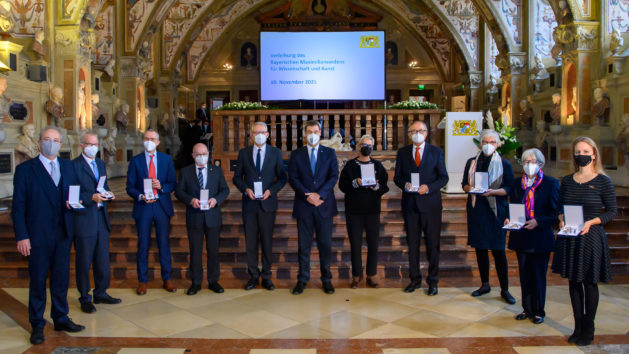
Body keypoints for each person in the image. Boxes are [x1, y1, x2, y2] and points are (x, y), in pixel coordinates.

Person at [12, 126, 85, 345]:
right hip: (37, 236)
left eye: (55, 140)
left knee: (61, 279)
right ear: (40, 142)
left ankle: (61, 317)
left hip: (63, 233)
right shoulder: (26, 170)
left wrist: (75, 205)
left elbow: (75, 194)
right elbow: (18, 207)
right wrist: (22, 236)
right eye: (47, 139)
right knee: (37, 281)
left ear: (60, 144)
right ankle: (37, 324)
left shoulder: (68, 166)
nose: (51, 143)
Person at [552, 137, 617, 346]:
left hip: (591, 237)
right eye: (578, 151)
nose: (582, 154)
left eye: (586, 151)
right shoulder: (568, 180)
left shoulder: (603, 181)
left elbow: (612, 212)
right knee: (573, 282)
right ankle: (577, 325)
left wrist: (592, 222)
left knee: (589, 282)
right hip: (571, 237)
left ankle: (589, 327)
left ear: (594, 154)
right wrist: (561, 219)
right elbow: (559, 207)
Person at [394, 120, 448, 296]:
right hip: (410, 205)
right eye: (413, 131)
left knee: (433, 244)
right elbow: (397, 177)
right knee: (413, 244)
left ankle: (433, 281)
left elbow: (443, 177)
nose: (417, 133)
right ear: (409, 134)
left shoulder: (436, 152)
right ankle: (414, 279)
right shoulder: (402, 153)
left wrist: (429, 187)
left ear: (426, 133)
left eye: (420, 130)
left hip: (431, 205)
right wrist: (405, 185)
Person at [505, 148, 559, 324]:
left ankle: (538, 311)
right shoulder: (516, 183)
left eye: (532, 161)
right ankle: (527, 309)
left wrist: (539, 221)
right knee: (524, 274)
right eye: (525, 161)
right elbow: (512, 206)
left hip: (540, 236)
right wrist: (509, 218)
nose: (529, 165)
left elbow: (555, 213)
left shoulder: (551, 183)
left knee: (538, 275)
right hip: (521, 235)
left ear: (540, 164)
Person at [461, 129, 515, 304]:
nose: (488, 145)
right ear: (480, 144)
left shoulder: (504, 164)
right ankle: (485, 284)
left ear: (497, 145)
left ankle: (505, 289)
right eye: (485, 142)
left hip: (496, 211)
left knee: (499, 251)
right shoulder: (471, 163)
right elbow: (464, 184)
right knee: (480, 249)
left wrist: (494, 191)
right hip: (477, 211)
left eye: (492, 142)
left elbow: (509, 188)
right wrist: (471, 189)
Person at [233, 122, 287, 290]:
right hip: (249, 204)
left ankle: (266, 276)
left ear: (268, 134)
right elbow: (236, 178)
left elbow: (283, 178)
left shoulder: (276, 153)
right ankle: (253, 276)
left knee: (266, 242)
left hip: (267, 204)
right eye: (256, 132)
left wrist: (271, 191)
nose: (259, 134)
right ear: (250, 135)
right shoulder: (243, 153)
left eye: (262, 132)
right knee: (250, 242)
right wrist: (245, 189)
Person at [72, 131, 121, 314]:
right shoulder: (74, 166)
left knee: (102, 260)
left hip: (101, 218)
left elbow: (103, 186)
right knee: (84, 261)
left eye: (95, 144)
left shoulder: (100, 163)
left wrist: (108, 193)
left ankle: (101, 292)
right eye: (89, 144)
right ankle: (85, 297)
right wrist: (89, 197)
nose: (93, 147)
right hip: (84, 219)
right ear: (82, 146)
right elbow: (72, 193)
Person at [288, 120, 339, 295]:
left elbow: (333, 176)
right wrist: (307, 195)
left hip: (324, 205)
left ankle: (327, 280)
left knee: (325, 245)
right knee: (304, 245)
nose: (312, 134)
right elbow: (293, 178)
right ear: (304, 134)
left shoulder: (330, 153)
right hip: (304, 205)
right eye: (309, 131)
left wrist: (320, 195)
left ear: (320, 133)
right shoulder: (297, 154)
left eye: (315, 131)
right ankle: (302, 279)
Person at [126, 129, 178, 295]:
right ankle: (142, 280)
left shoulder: (166, 159)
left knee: (164, 243)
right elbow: (130, 187)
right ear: (143, 141)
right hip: (144, 207)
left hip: (161, 205)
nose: (149, 141)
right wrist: (140, 195)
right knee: (143, 244)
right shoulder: (136, 161)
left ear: (158, 142)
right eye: (146, 138)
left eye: (152, 138)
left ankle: (167, 278)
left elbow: (173, 183)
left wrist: (161, 186)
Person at [175, 143, 229, 295]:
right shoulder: (185, 172)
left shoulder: (216, 171)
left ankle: (213, 281)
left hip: (213, 217)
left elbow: (225, 189)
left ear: (208, 154)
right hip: (194, 217)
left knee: (213, 250)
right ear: (193, 155)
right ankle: (196, 282)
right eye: (198, 154)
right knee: (195, 251)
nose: (201, 156)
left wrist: (216, 200)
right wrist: (190, 200)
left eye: (204, 153)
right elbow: (179, 191)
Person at [339, 134, 389, 288]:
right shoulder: (350, 165)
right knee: (355, 243)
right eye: (363, 144)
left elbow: (384, 187)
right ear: (359, 146)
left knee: (373, 243)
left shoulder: (378, 166)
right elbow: (342, 186)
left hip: (372, 210)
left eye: (369, 145)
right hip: (354, 211)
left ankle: (371, 275)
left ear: (372, 148)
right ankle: (356, 275)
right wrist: (355, 182)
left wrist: (376, 187)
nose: (366, 147)